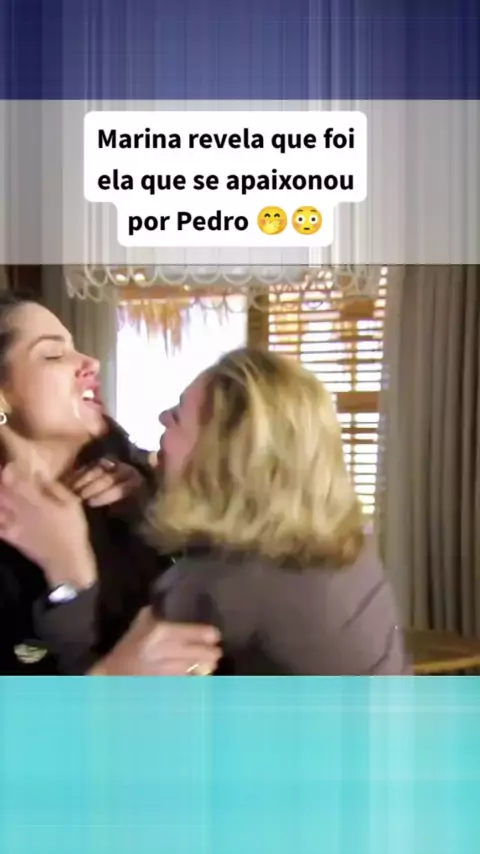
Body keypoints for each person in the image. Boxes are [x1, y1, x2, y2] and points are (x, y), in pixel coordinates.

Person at [146, 348, 410, 674]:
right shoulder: (338, 541)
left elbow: (118, 687)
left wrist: (84, 581)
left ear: (222, 458)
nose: (162, 417)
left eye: (177, 415)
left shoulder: (217, 587)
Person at [0, 294, 221, 675]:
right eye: (53, 354)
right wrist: (69, 580)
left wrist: (149, 516)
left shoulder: (131, 478)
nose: (91, 362)